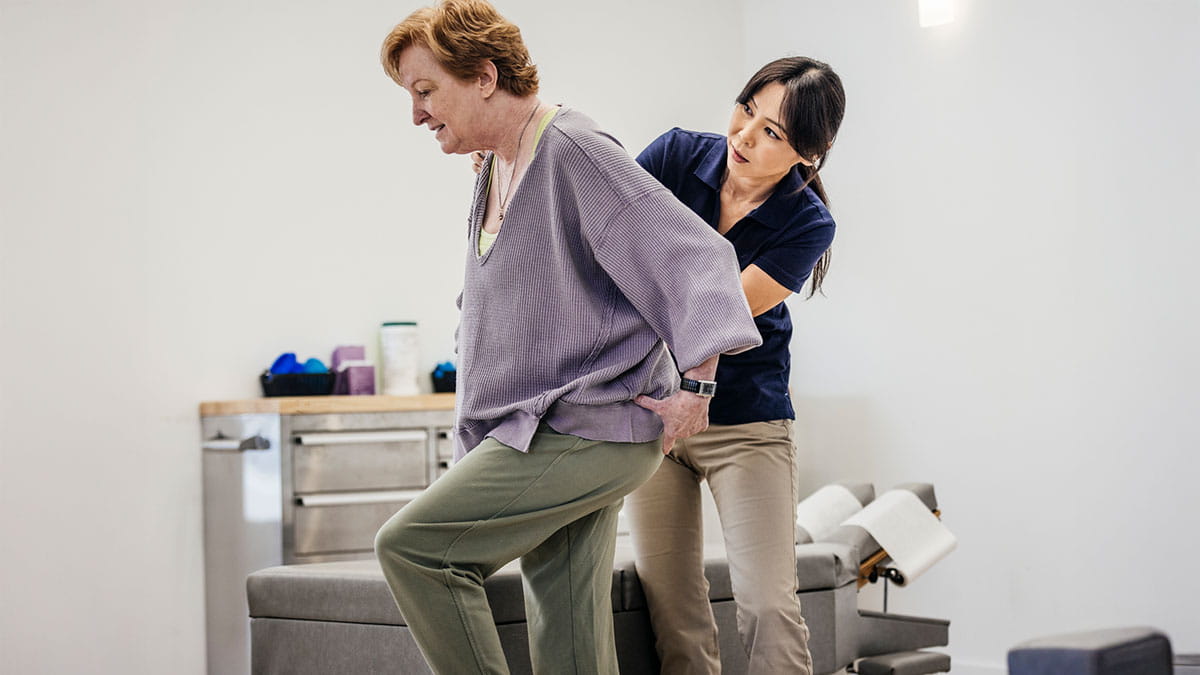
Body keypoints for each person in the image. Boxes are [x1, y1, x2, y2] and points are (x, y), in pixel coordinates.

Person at [372, 2, 762, 674]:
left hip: (585, 428)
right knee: (569, 628)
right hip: (546, 425)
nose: (416, 114)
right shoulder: (497, 163)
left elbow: (697, 258)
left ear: (484, 76)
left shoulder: (572, 150)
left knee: (415, 549)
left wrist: (697, 387)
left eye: (426, 90)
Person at [624, 57, 846, 675]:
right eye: (748, 109)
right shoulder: (672, 157)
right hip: (652, 419)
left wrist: (653, 280)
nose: (745, 135)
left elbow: (719, 312)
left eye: (773, 132)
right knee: (674, 614)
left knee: (769, 609)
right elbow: (607, 242)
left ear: (809, 154)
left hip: (746, 425)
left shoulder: (808, 224)